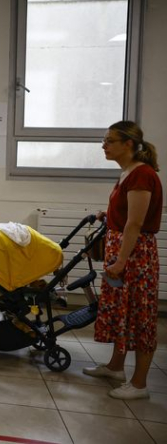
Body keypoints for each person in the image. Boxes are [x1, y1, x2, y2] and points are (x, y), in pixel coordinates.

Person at [83, 121, 162, 400]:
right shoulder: (128, 172)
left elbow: (136, 223)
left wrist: (121, 261)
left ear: (128, 144)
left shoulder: (142, 175)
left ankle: (139, 384)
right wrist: (108, 216)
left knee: (140, 317)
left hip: (135, 255)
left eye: (109, 141)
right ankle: (116, 367)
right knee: (122, 313)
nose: (104, 146)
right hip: (124, 248)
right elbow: (125, 214)